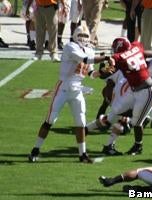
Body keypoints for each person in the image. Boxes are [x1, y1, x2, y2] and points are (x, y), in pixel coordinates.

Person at [28, 24, 115, 163]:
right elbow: (83, 59)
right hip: (63, 88)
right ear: (74, 35)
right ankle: (35, 150)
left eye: (86, 36)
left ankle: (83, 155)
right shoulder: (70, 47)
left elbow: (91, 74)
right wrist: (106, 57)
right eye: (80, 35)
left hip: (77, 89)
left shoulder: (90, 50)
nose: (83, 38)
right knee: (50, 120)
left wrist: (103, 72)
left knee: (81, 122)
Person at [86, 55, 152, 156]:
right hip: (126, 89)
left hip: (136, 95)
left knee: (119, 120)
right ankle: (91, 133)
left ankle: (103, 140)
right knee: (117, 119)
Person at [105, 37, 152, 155]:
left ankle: (138, 146)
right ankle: (140, 116)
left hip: (147, 92)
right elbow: (146, 53)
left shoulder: (120, 57)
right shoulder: (136, 47)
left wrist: (109, 62)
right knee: (119, 110)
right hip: (138, 90)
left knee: (137, 122)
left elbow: (113, 59)